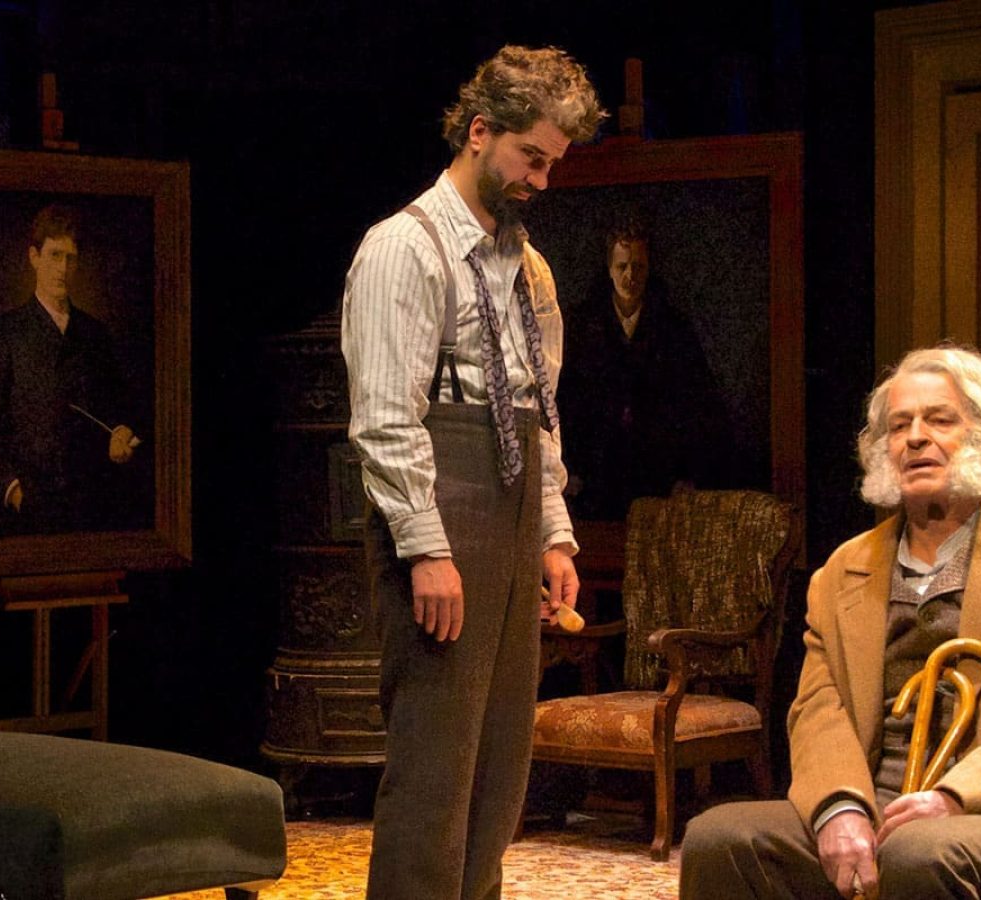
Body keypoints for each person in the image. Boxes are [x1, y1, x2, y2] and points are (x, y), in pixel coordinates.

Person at [679, 345, 981, 899]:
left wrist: (957, 796)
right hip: (873, 802)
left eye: (939, 420)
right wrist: (839, 808)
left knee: (919, 852)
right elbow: (819, 710)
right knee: (717, 837)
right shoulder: (841, 572)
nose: (915, 437)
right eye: (899, 425)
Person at [340, 45, 604, 899]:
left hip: (514, 501)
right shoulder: (403, 249)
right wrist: (426, 549)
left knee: (499, 768)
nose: (542, 180)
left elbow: (541, 412)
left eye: (553, 164)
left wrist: (554, 535)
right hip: (441, 509)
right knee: (435, 772)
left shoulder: (530, 270)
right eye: (532, 157)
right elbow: (385, 418)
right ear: (480, 131)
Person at [0, 204, 143, 537]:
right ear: (34, 257)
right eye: (54, 255)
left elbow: (121, 403)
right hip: (30, 513)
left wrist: (121, 429)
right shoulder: (6, 332)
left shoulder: (95, 334)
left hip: (92, 509)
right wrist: (13, 491)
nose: (62, 268)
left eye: (70, 258)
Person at [557, 219, 731, 519]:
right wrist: (567, 468)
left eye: (637, 266)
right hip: (595, 477)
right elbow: (564, 400)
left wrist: (687, 473)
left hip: (656, 476)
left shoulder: (673, 329)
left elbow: (696, 404)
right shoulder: (581, 326)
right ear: (609, 268)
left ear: (649, 269)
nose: (630, 276)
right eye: (622, 266)